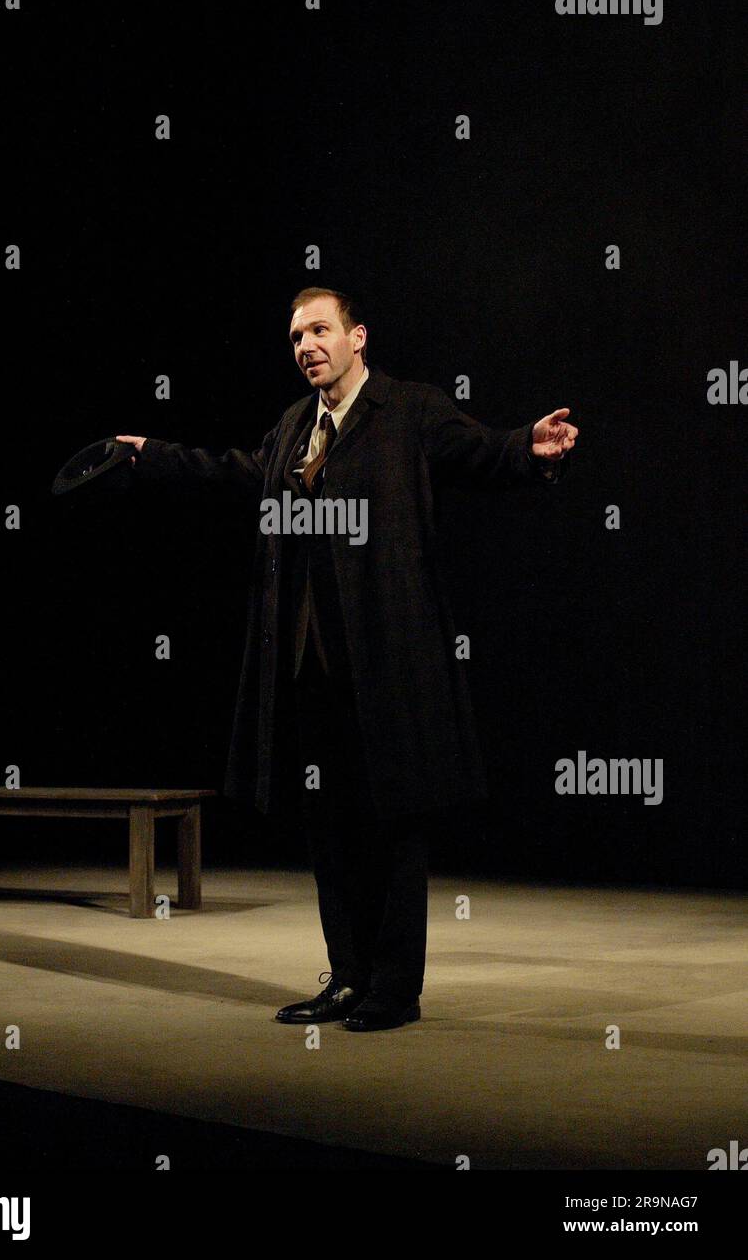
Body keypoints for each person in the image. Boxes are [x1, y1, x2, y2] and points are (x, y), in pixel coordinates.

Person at [118, 287, 578, 1030]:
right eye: (296, 336)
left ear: (356, 336)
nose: (306, 345)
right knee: (328, 825)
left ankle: (395, 988)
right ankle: (348, 977)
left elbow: (478, 450)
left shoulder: (409, 411)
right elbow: (236, 472)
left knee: (393, 823)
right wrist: (153, 456)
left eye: (320, 330)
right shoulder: (295, 425)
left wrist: (527, 445)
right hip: (308, 665)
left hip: (385, 662)